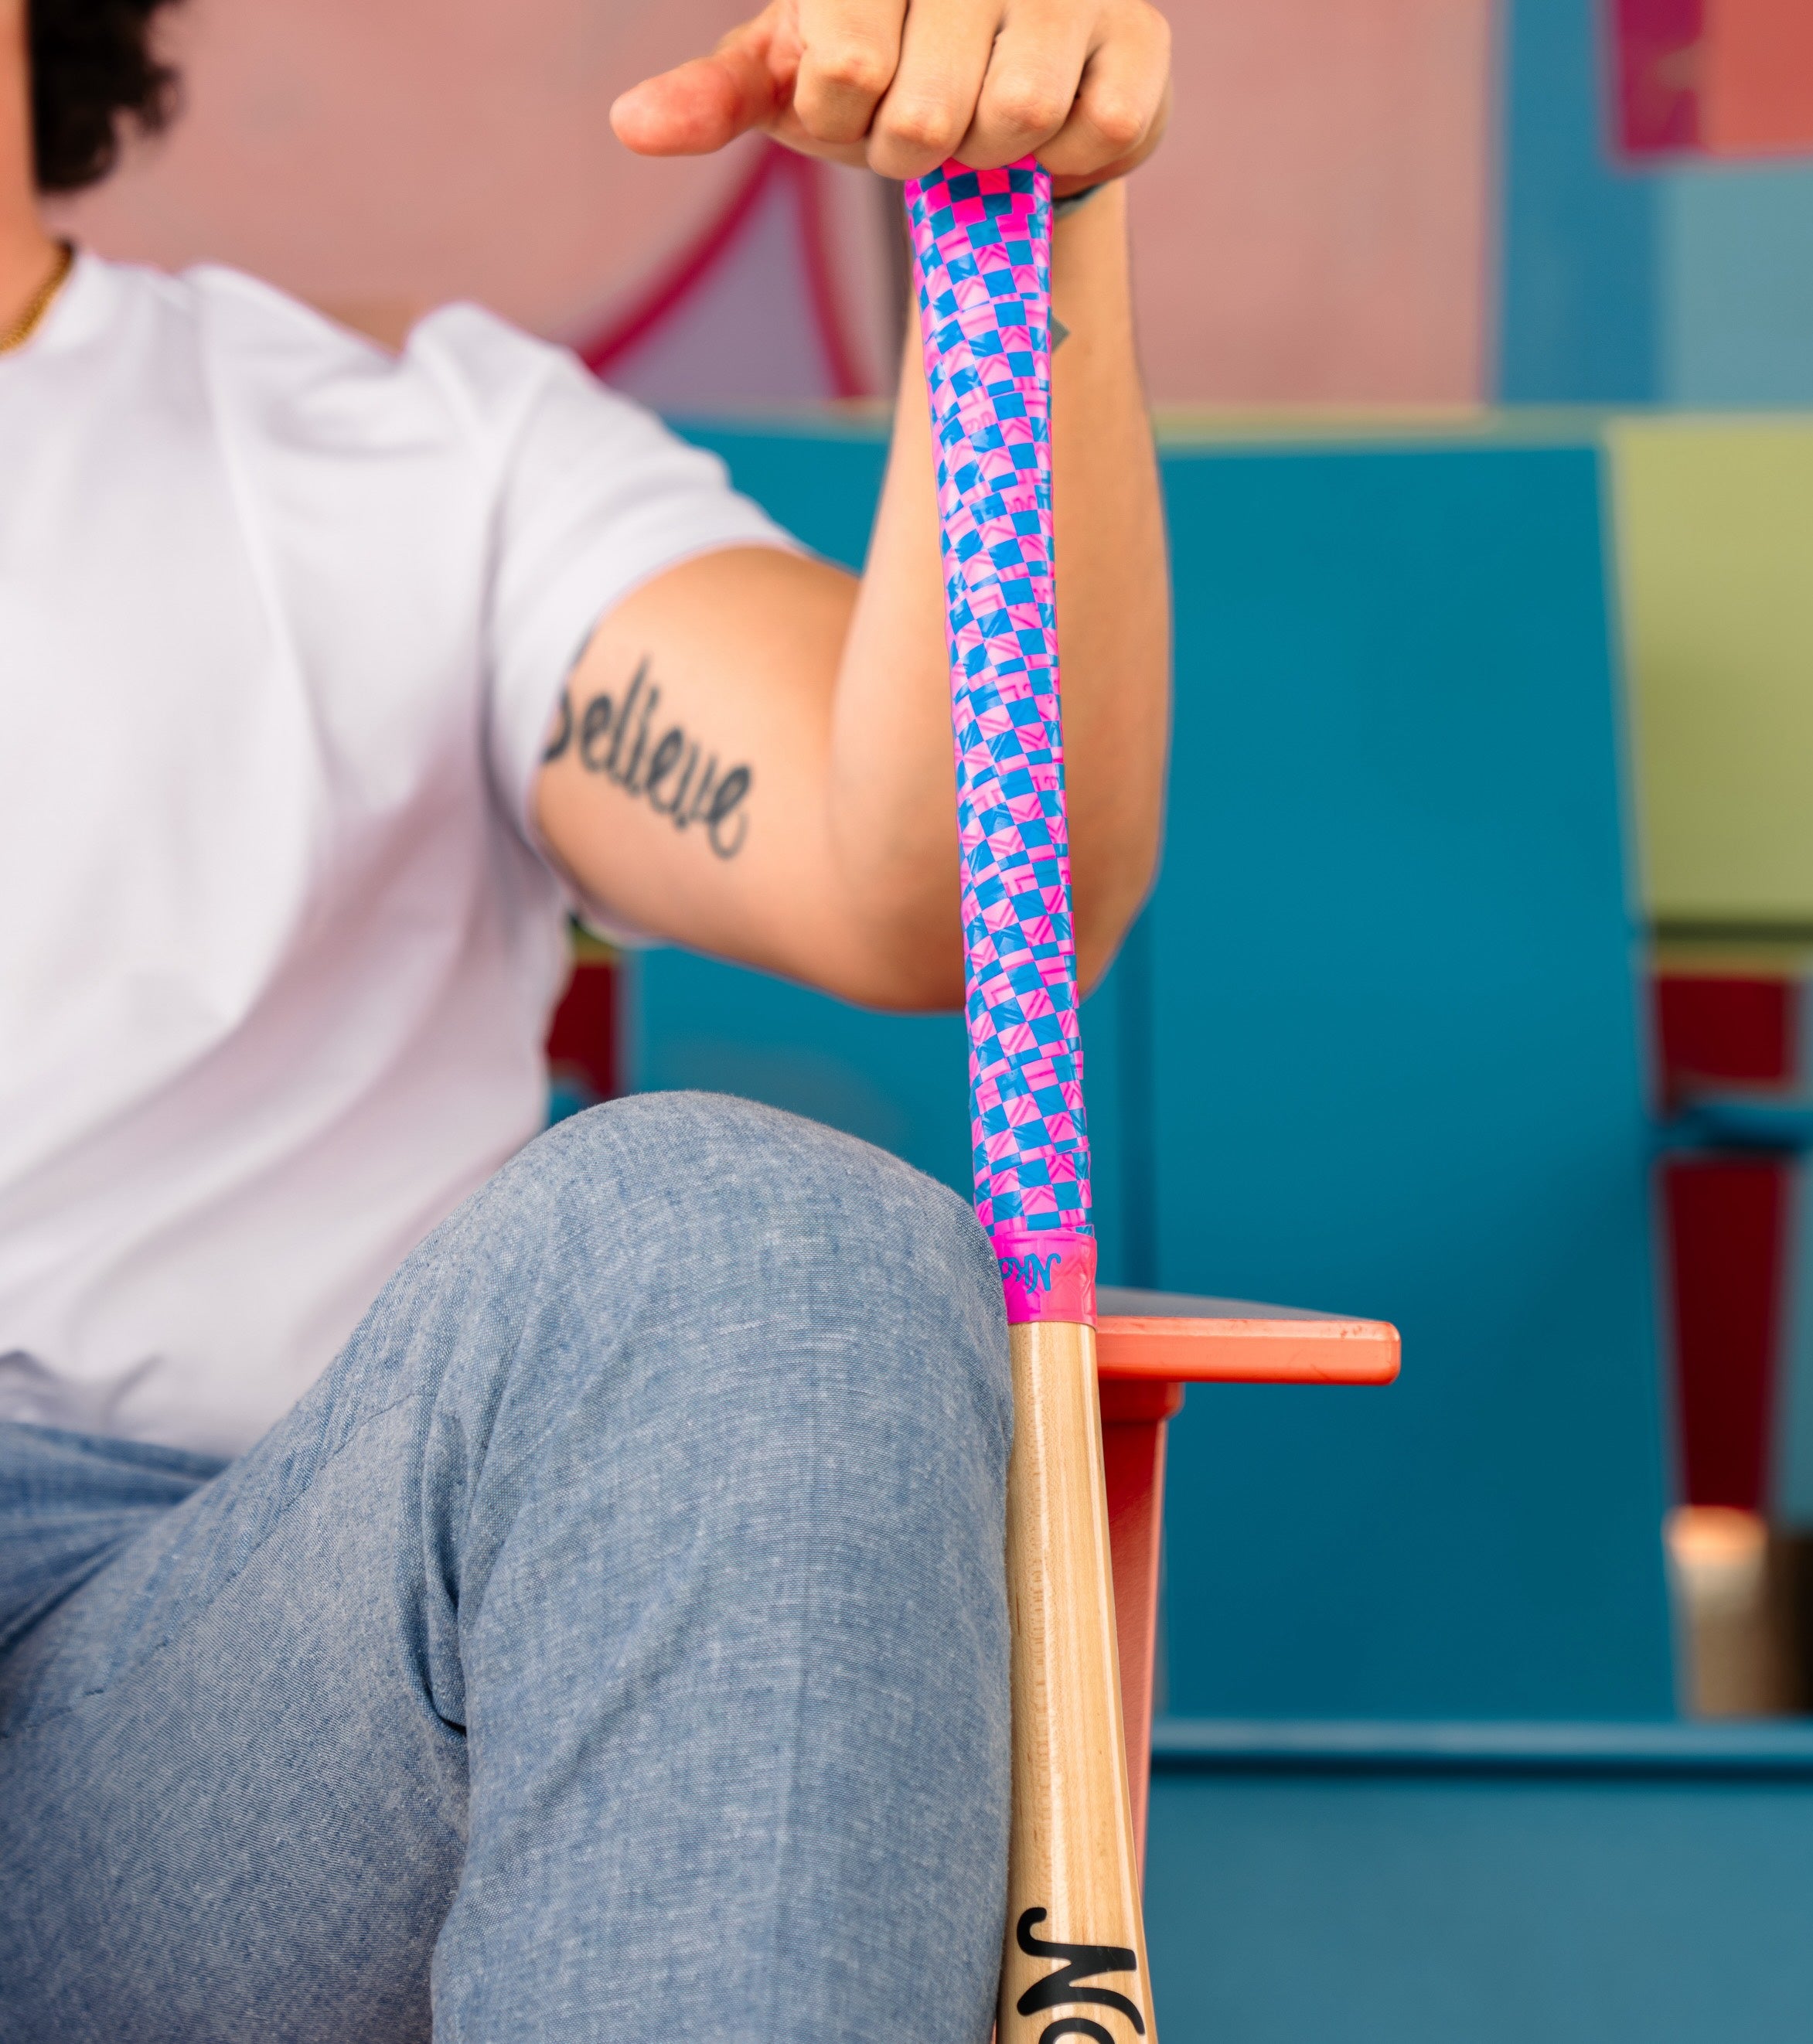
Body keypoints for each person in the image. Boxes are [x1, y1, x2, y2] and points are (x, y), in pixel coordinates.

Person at [0, 0, 1171, 2034]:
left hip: (217, 1687)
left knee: (756, 1253)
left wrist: (1022, 205)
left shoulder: (410, 472)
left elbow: (940, 878)